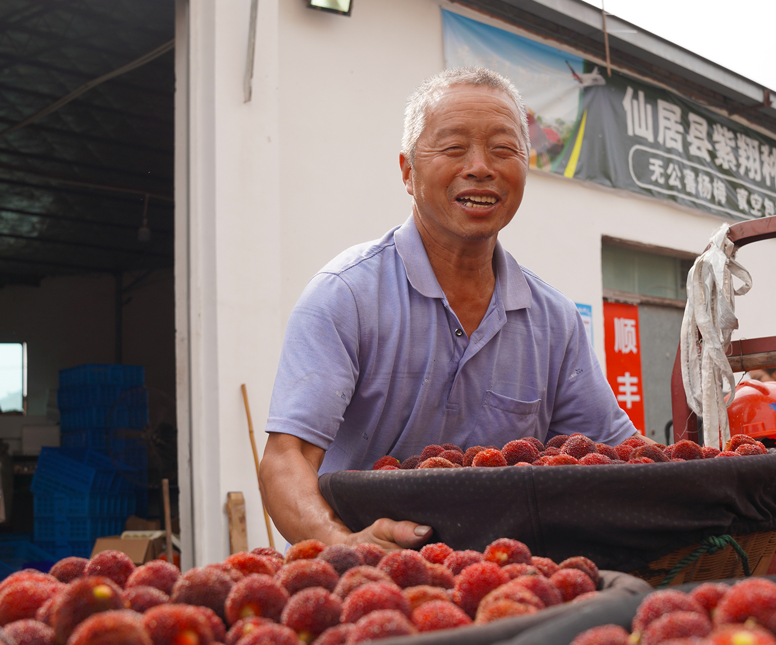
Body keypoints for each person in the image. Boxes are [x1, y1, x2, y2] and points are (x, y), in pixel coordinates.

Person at [259, 67, 642, 553]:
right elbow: (285, 457)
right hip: (372, 583)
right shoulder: (346, 295)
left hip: (509, 580)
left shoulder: (554, 321)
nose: (481, 167)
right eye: (454, 147)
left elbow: (624, 456)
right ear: (407, 171)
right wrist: (344, 545)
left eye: (504, 149)